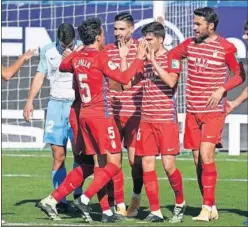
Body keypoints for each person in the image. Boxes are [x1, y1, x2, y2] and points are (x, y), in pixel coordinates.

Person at [37, 18, 147, 222]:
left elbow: (63, 65)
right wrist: (138, 58)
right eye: (104, 33)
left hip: (83, 116)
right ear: (98, 37)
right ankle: (85, 198)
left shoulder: (78, 57)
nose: (106, 37)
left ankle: (98, 210)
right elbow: (124, 80)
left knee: (95, 164)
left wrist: (80, 52)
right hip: (100, 116)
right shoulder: (101, 57)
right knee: (113, 164)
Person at [167, 7, 245, 222]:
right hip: (193, 111)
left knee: (207, 155)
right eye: (194, 23)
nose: (194, 27)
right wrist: (174, 73)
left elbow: (239, 75)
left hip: (213, 111)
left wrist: (222, 89)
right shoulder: (189, 45)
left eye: (198, 24)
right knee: (197, 160)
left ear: (210, 26)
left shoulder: (226, 47)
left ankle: (205, 207)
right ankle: (211, 205)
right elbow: (173, 56)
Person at [23, 23, 83, 211]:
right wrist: (30, 100)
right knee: (58, 154)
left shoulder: (82, 49)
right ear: (57, 39)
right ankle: (60, 199)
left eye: (70, 45)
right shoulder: (48, 51)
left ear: (75, 40)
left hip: (76, 106)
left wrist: (73, 57)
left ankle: (78, 195)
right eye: (63, 45)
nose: (66, 48)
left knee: (79, 153)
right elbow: (40, 76)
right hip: (56, 106)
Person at [133, 21, 185, 223]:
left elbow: (172, 82)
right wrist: (139, 60)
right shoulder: (144, 59)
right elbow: (130, 82)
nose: (146, 42)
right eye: (144, 39)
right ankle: (155, 211)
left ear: (160, 39)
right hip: (146, 120)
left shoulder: (172, 58)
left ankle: (179, 203)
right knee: (146, 164)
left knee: (168, 165)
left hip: (165, 120)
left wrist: (153, 61)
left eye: (149, 39)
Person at [105, 12, 144, 218]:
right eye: (115, 29)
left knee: (135, 162)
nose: (117, 33)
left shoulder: (141, 49)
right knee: (113, 162)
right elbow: (114, 83)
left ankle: (135, 199)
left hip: (135, 114)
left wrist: (121, 69)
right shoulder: (108, 50)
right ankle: (119, 204)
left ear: (131, 29)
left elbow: (127, 83)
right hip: (112, 112)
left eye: (122, 29)